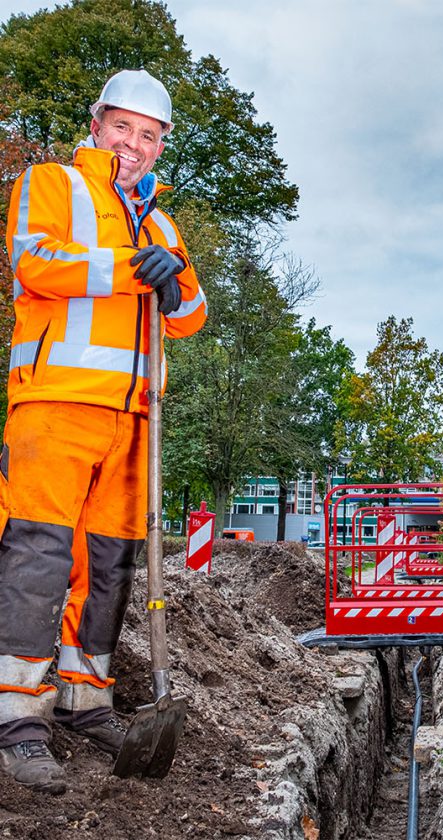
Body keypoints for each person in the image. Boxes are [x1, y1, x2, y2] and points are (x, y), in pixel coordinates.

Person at [0, 69, 207, 794]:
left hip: (133, 420)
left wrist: (174, 282)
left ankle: (86, 702)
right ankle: (19, 720)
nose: (134, 144)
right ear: (98, 127)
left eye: (149, 135)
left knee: (110, 569)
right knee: (38, 561)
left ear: (161, 146)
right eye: (123, 128)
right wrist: (131, 268)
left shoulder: (166, 225)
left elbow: (192, 313)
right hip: (55, 403)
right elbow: (35, 262)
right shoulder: (54, 184)